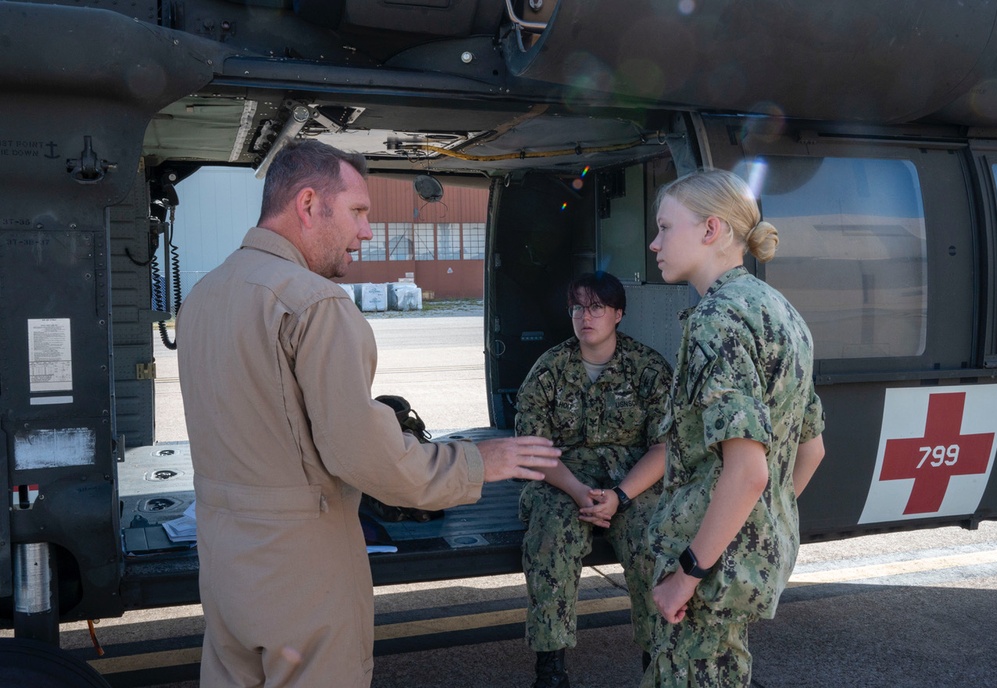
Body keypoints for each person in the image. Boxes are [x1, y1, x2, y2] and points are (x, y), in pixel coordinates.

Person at [176, 140, 560, 688]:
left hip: (223, 562)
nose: (367, 232)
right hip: (299, 569)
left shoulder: (207, 293)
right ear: (308, 205)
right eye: (357, 212)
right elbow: (367, 458)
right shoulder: (314, 304)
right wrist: (478, 462)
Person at [643, 168, 826, 687]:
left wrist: (688, 575)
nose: (655, 243)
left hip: (708, 568)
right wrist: (755, 529)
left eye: (665, 227)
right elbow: (810, 450)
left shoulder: (716, 321)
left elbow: (747, 473)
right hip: (737, 560)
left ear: (711, 230)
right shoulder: (781, 313)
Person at [515, 272, 673, 688]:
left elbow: (664, 447)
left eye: (597, 307)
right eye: (579, 307)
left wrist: (619, 496)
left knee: (651, 542)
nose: (587, 316)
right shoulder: (549, 369)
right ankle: (550, 669)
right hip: (565, 477)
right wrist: (579, 492)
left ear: (618, 314)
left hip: (631, 480)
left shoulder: (648, 368)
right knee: (550, 539)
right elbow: (533, 447)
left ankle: (656, 661)